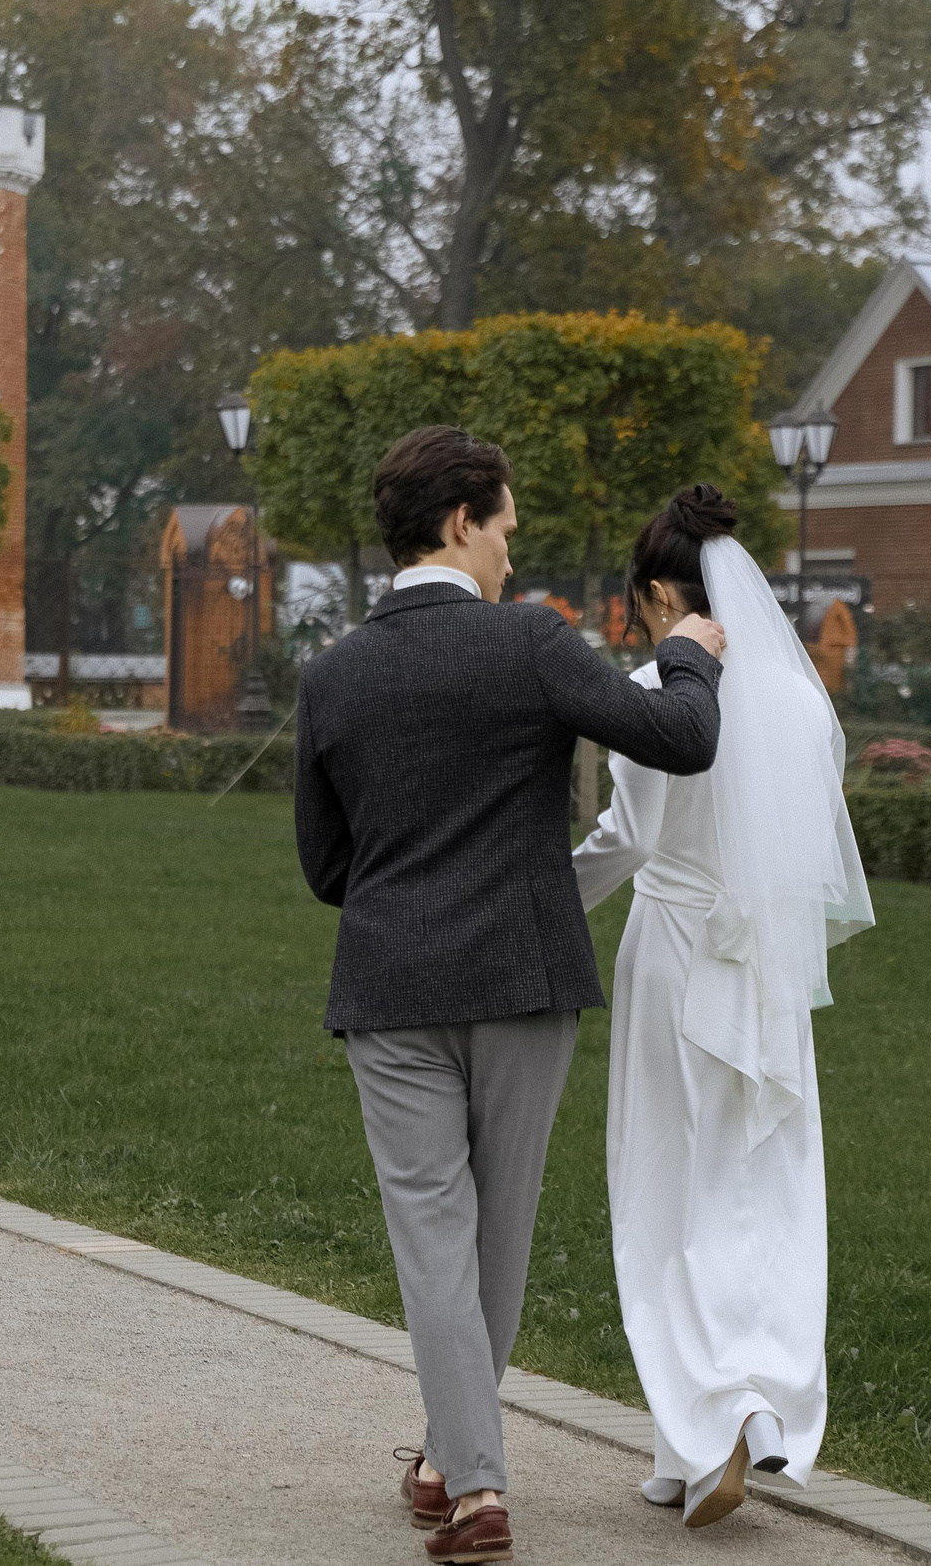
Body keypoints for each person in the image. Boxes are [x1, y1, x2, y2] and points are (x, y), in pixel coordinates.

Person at [293, 426, 728, 1565]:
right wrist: (689, 649)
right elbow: (680, 738)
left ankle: (460, 1470)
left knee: (431, 1236)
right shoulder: (531, 640)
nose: (505, 552)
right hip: (523, 979)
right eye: (503, 530)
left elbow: (325, 868)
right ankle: (467, 1475)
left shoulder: (332, 673)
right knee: (497, 1230)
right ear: (459, 523)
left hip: (390, 984)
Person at [570, 485, 874, 1528]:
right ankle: (724, 1429)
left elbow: (627, 839)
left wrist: (538, 900)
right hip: (768, 967)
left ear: (661, 592)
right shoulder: (796, 699)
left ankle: (707, 1435)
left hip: (677, 953)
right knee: (763, 1189)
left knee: (664, 1185)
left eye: (641, 600)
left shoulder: (657, 685)